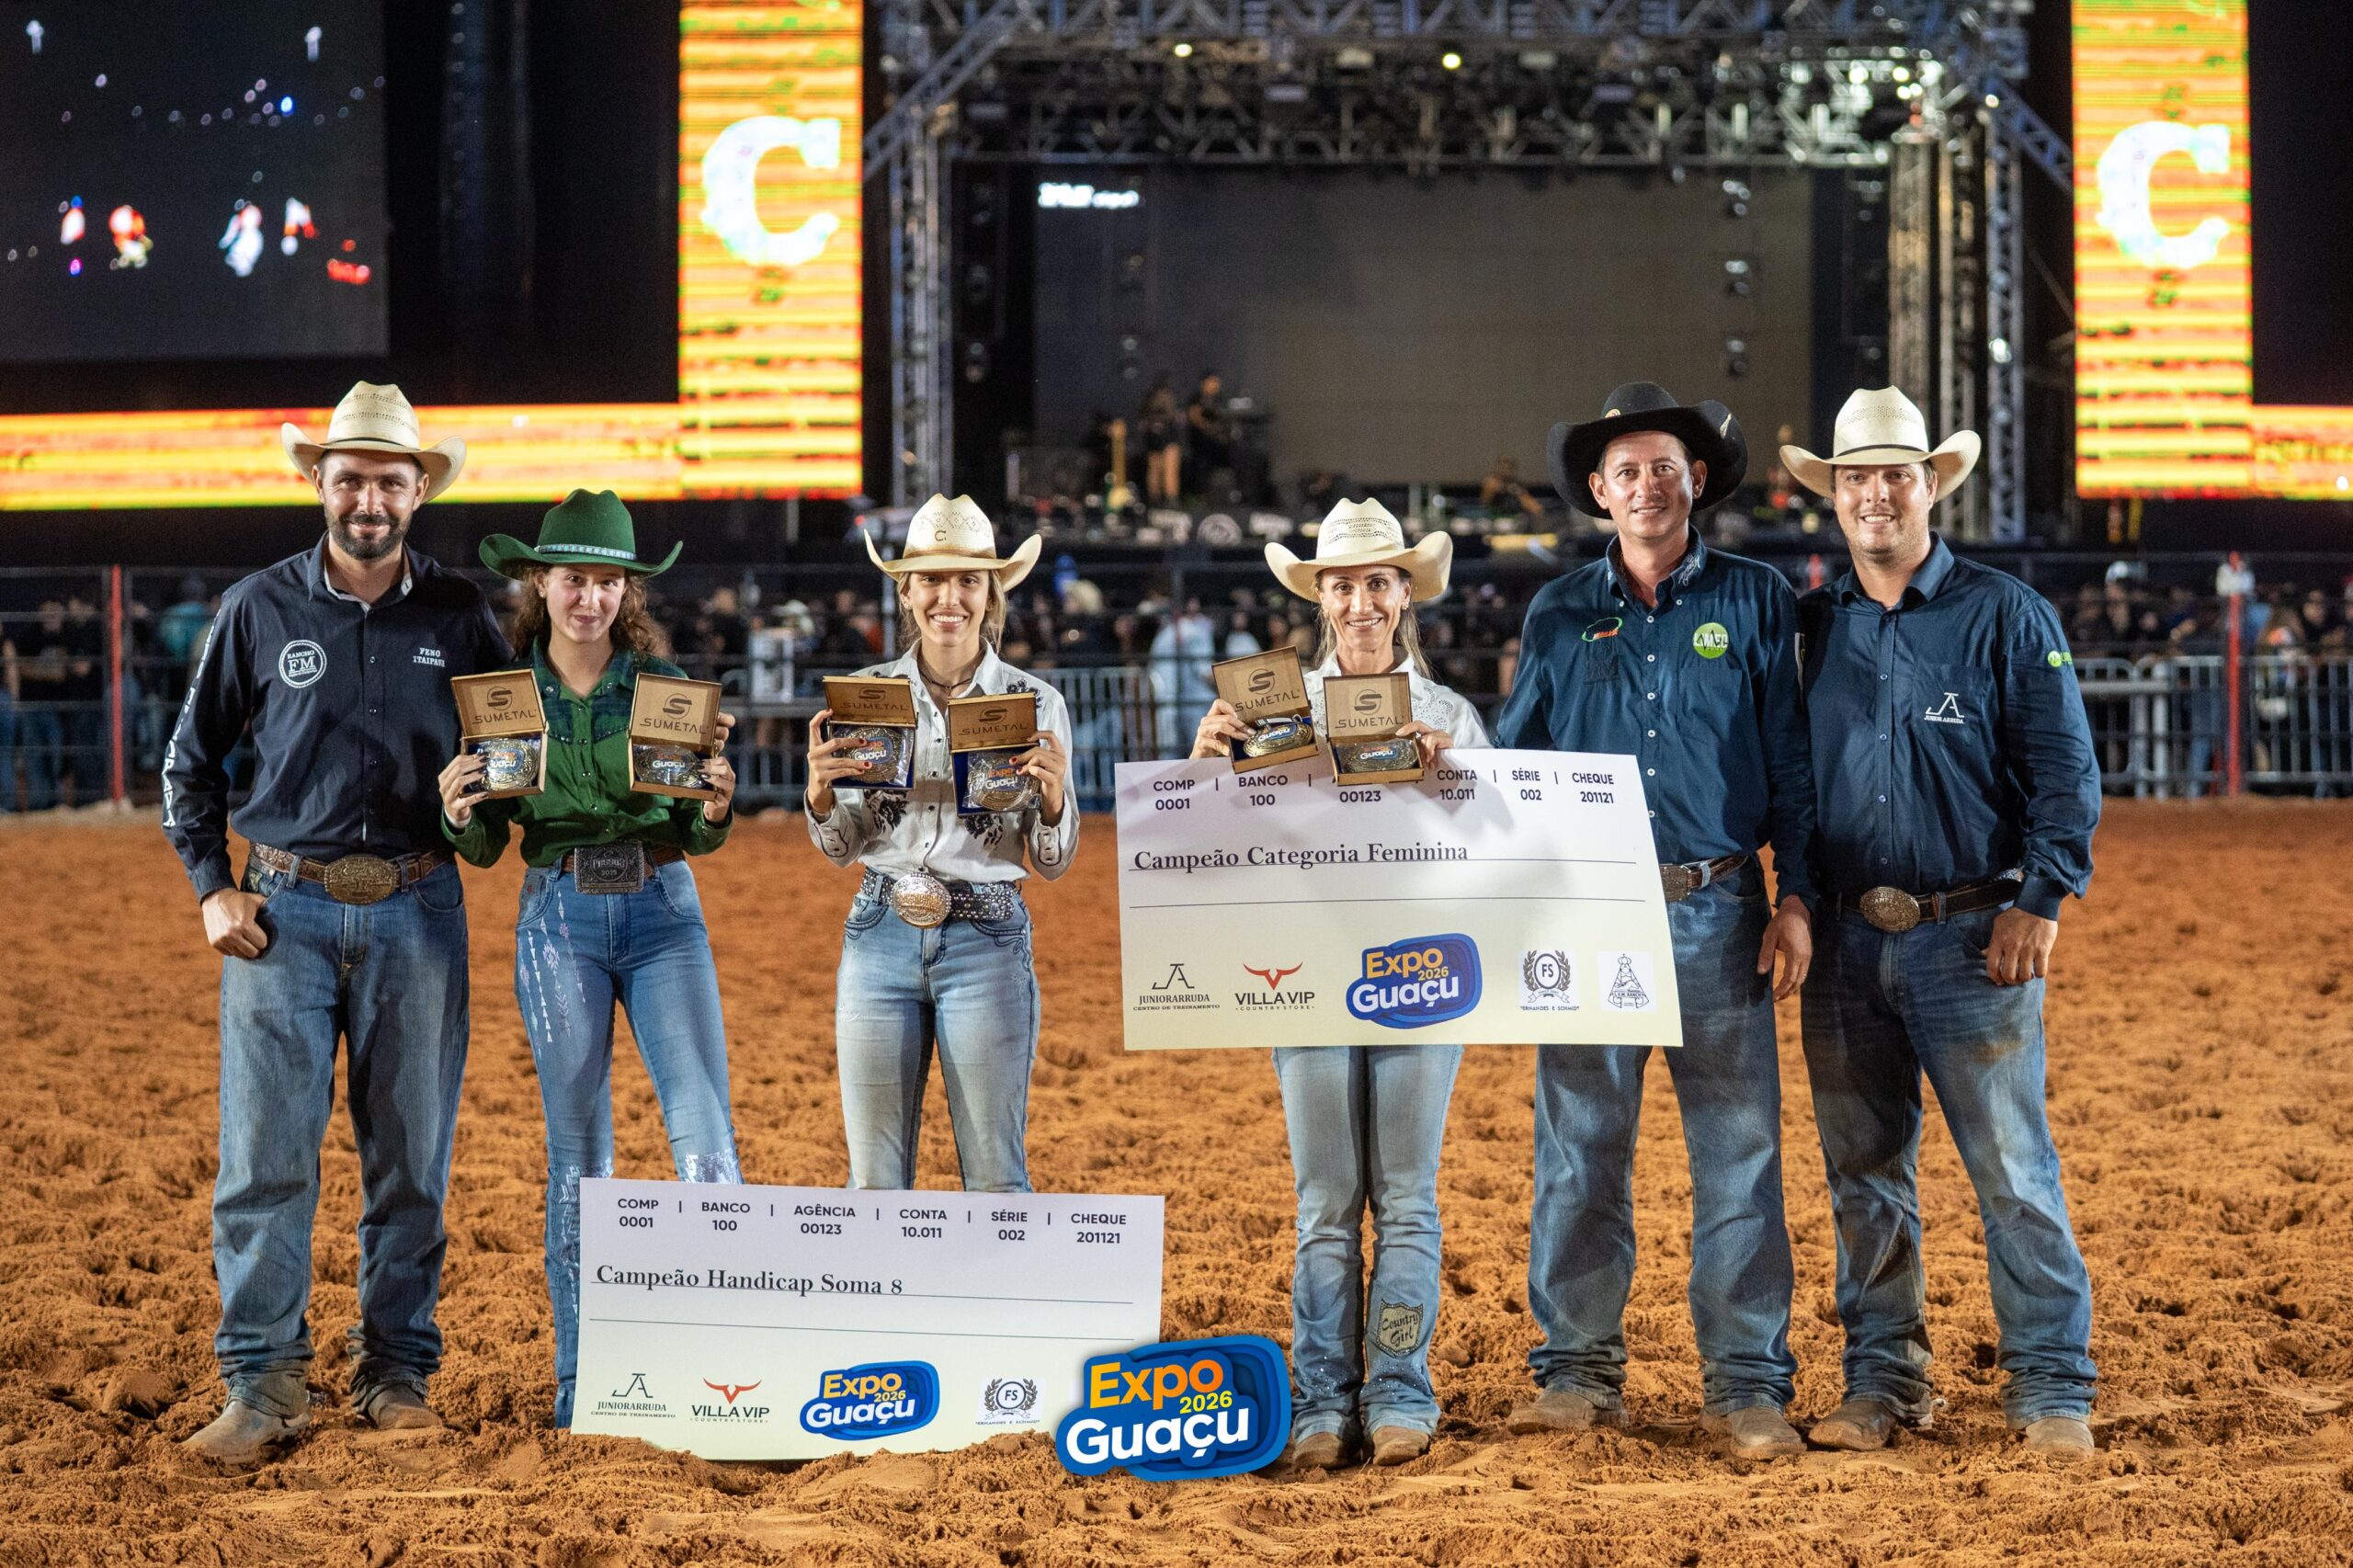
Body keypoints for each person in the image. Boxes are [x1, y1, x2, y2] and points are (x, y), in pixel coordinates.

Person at [162, 383, 506, 1463]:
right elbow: (190, 762)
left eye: (388, 479)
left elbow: (509, 755)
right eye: (349, 476)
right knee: (267, 1157)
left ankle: (395, 1369)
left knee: (412, 1155)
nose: (367, 496)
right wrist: (211, 886)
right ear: (320, 482)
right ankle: (261, 1382)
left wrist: (490, 793)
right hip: (282, 908)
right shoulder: (258, 608)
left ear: (417, 492)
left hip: (420, 904)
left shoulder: (462, 617)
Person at [1495, 381, 1819, 1459]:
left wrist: (1796, 896)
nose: (1646, 482)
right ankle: (1578, 1370)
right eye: (1625, 468)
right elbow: (1515, 765)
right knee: (1581, 1148)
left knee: (1739, 1153)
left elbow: (1791, 763)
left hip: (1718, 907)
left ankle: (1744, 1381)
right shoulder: (1553, 613)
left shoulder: (1758, 598)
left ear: (1696, 482)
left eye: (1664, 465)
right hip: (1587, 911)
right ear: (1598, 490)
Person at [1782, 387, 2103, 1457]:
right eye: (1856, 478)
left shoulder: (2006, 612)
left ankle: (2052, 1384)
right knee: (1861, 1170)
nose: (1876, 493)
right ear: (1833, 498)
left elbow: (2064, 767)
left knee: (2011, 1164)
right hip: (1841, 936)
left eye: (1895, 474)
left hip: (1971, 933)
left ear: (1931, 485)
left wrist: (2040, 897)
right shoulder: (1807, 626)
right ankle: (1883, 1380)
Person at [437, 490, 743, 1430]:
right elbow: (489, 846)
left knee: (706, 1145)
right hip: (556, 919)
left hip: (663, 909)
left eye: (608, 581)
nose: (591, 597)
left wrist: (718, 803)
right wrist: (458, 809)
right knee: (578, 1157)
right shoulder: (502, 692)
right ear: (542, 582)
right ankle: (583, 1388)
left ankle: (727, 1375)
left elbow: (694, 826)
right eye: (576, 578)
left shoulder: (663, 686)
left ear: (626, 592)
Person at [1189, 499, 1484, 1471]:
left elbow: (1495, 855)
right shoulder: (1264, 716)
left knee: (1404, 1194)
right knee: (1326, 1197)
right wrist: (1202, 773)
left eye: (1378, 583)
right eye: (1344, 584)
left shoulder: (1451, 721)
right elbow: (1208, 847)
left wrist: (1455, 785)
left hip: (1418, 974)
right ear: (1321, 597)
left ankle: (1398, 1388)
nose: (1361, 601)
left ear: (1406, 595)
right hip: (1309, 974)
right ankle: (1324, 1397)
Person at [803, 494, 1076, 1191]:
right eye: (930, 579)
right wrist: (820, 795)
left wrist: (1050, 800)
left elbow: (1050, 862)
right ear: (905, 591)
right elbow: (841, 847)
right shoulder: (861, 695)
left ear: (991, 594)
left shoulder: (1039, 704)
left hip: (986, 935)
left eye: (967, 580)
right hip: (879, 926)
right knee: (872, 1184)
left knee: (994, 1180)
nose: (948, 597)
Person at [1140, 379, 1183, 506]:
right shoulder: (1149, 403)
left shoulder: (1168, 402)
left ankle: (1169, 500)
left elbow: (1174, 418)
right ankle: (1160, 500)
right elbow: (1144, 423)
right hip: (1156, 443)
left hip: (1168, 441)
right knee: (1157, 472)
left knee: (1168, 471)